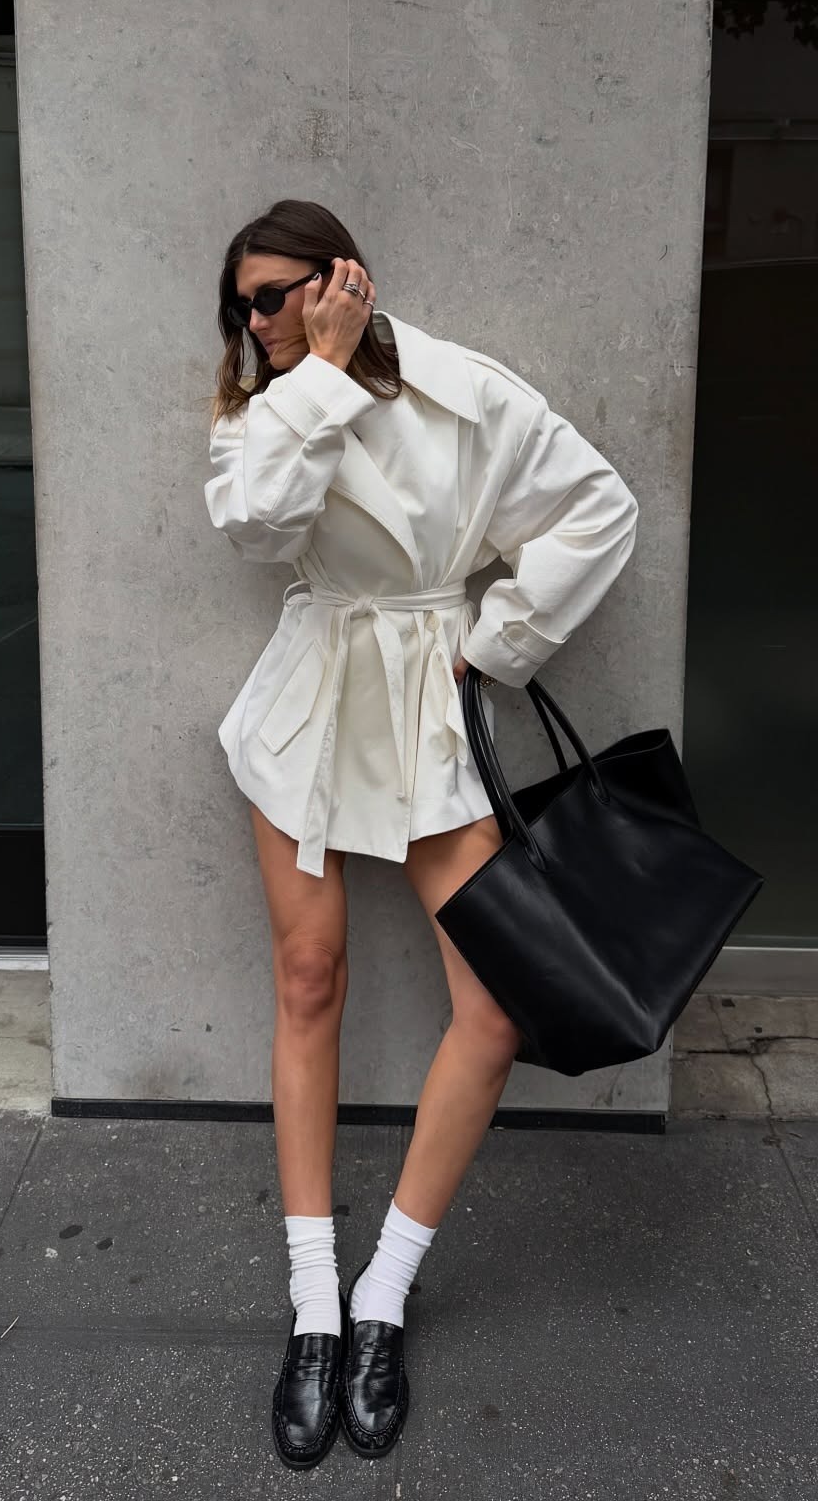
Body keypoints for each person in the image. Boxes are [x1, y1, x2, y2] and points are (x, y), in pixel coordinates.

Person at [204, 198, 640, 1469]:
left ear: (345, 278)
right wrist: (317, 376)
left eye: (280, 294)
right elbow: (256, 527)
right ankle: (313, 1307)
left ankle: (385, 1293)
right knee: (307, 981)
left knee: (495, 1011)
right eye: (243, 302)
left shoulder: (466, 394)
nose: (259, 320)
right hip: (310, 701)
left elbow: (598, 508)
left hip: (431, 709)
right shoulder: (265, 410)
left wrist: (494, 645)